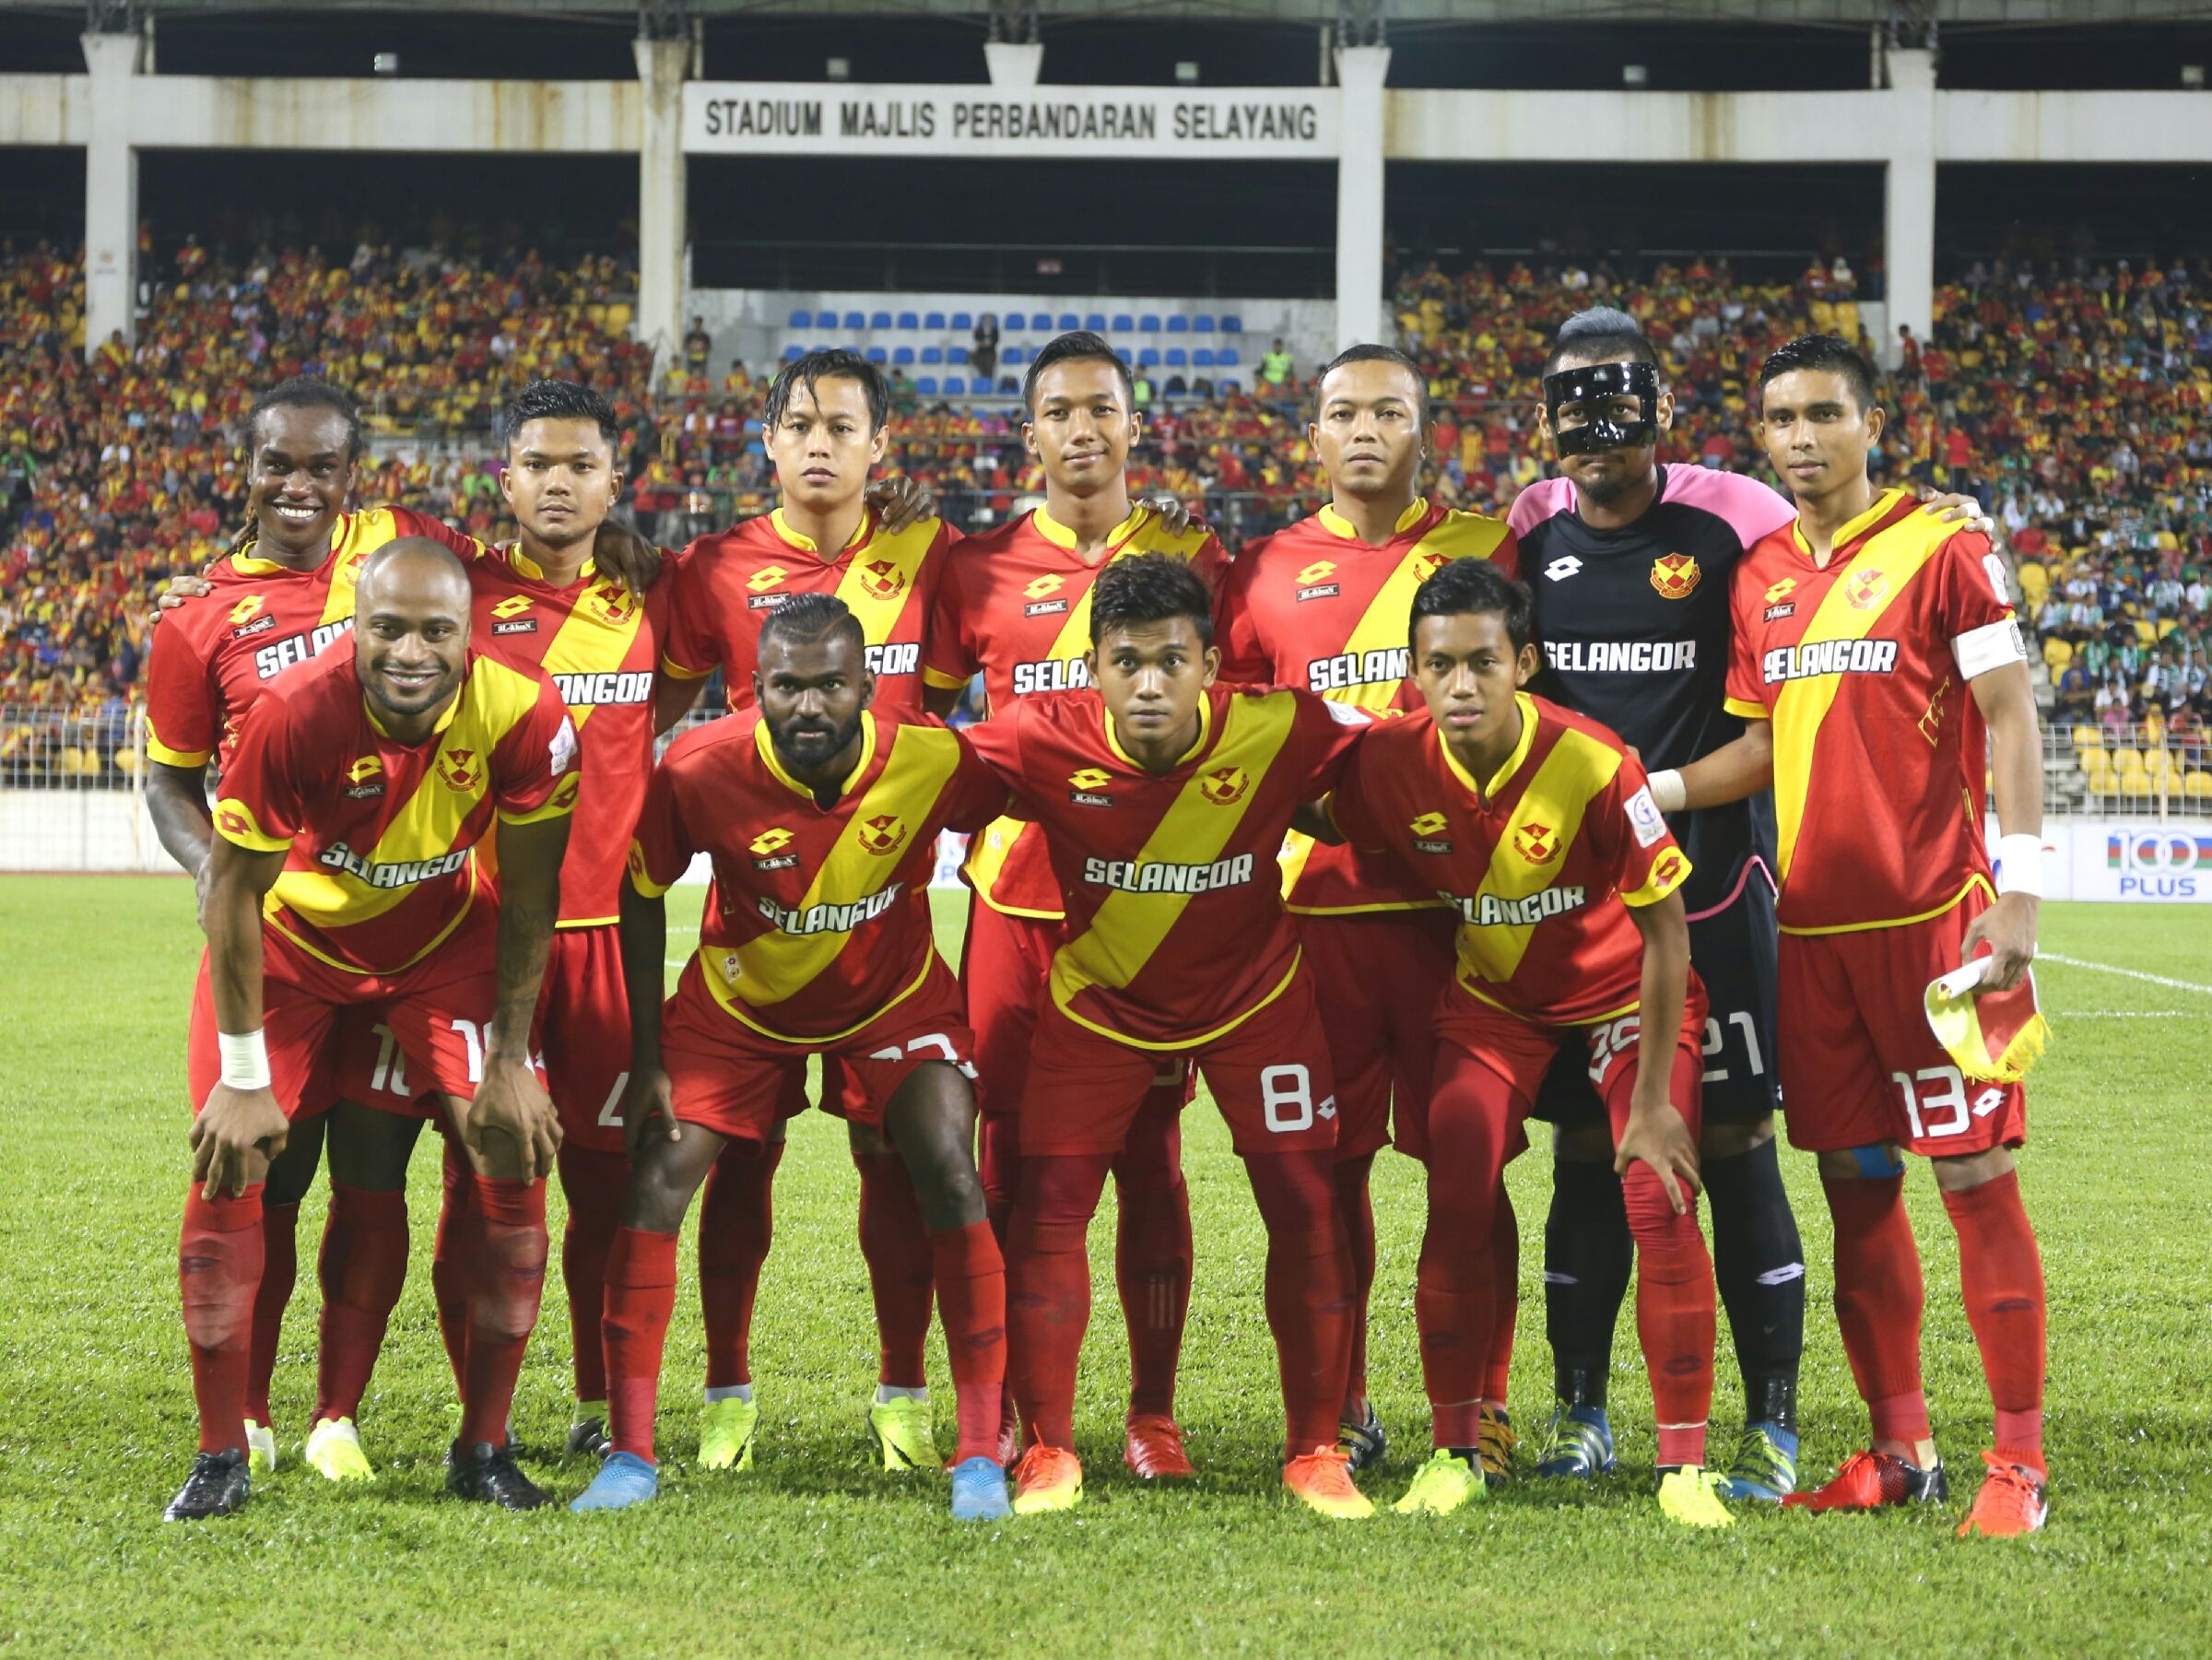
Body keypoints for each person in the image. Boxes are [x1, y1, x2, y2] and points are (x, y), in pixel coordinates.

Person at [1505, 305, 1996, 1501]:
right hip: (1574, 906)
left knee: (1733, 1146)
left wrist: (1951, 516)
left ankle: (1771, 1423)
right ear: (1546, 417)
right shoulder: (1528, 531)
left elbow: (1844, 544)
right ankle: (1581, 1414)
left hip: (1717, 888)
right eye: (1571, 400)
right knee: (1584, 1148)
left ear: (1662, 408)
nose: (1594, 424)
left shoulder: (1738, 516)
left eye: (1615, 398)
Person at [1676, 334, 2051, 1538]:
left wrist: (2022, 890)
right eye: (1780, 417)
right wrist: (1648, 792)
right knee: (1856, 1190)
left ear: (1868, 423)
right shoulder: (1760, 573)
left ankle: (2018, 1465)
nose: (1800, 436)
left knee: (1976, 1184)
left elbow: (2007, 714)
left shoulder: (1944, 546)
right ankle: (1903, 1447)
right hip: (1816, 940)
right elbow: (1750, 747)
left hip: (1937, 929)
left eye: (1823, 413)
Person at [570, 595, 1012, 1522]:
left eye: (828, 686)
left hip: (890, 996)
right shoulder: (699, 765)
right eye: (786, 687)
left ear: (866, 686)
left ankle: (975, 1452)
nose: (807, 706)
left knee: (949, 1167)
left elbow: (1022, 801)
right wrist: (651, 1054)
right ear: (754, 688)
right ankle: (633, 1451)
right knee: (658, 1178)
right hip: (740, 1002)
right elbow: (642, 890)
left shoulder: (931, 756)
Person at [164, 538, 577, 1519]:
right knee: (233, 1162)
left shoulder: (528, 713)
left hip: (443, 947)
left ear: (471, 635)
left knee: (512, 1153)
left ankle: (483, 1446)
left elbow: (530, 895)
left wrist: (514, 1059)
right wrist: (242, 1070)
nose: (410, 651)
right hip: (293, 950)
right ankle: (221, 1453)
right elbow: (228, 897)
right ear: (354, 625)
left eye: (437, 630)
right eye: (386, 627)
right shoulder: (291, 713)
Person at [1318, 554, 1731, 1526]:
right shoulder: (1386, 762)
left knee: (1654, 1186)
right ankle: (1457, 1447)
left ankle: (1685, 1468)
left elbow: (1668, 930)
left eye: (1483, 663)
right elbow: (1315, 816)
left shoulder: (1595, 761)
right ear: (1413, 672)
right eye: (1440, 665)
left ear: (1525, 663)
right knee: (1456, 1179)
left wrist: (1656, 1103)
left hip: (1625, 992)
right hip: (1495, 1000)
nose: (1462, 685)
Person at [962, 552, 1377, 1520]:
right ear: (1093, 667)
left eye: (1172, 661)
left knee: (1305, 1202)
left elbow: (1396, 756)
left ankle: (1316, 1448)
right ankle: (1051, 1447)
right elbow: (911, 780)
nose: (1150, 683)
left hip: (1256, 996)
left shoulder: (1280, 724)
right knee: (1051, 1208)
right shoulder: (1036, 734)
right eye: (1127, 661)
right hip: (1100, 1002)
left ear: (1211, 664)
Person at [318, 380, 669, 1467]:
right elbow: (314, 544)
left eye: (580, 466)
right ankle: (468, 1411)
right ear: (503, 479)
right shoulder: (454, 586)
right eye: (537, 465)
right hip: (465, 939)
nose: (557, 483)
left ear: (617, 482)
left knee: (606, 1188)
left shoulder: (663, 598)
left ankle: (602, 1400)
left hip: (604, 935)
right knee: (475, 1180)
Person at [920, 332, 1225, 1478]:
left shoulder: (1197, 557)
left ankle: (1153, 1415)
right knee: (1006, 1161)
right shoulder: (977, 568)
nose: (1083, 428)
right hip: (1015, 905)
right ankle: (1004, 1407)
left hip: (1146, 909)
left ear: (1135, 425)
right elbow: (931, 729)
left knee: (1151, 1158)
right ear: (1030, 431)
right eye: (1061, 410)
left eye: (1103, 407)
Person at [653, 348, 962, 1475]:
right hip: (760, 932)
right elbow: (649, 709)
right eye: (800, 423)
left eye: (844, 425)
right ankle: (728, 1389)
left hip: (888, 931)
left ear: (883, 445)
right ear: (769, 442)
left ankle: (905, 1394)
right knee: (740, 1157)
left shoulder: (938, 554)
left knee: (902, 1155)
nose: (820, 441)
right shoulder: (712, 567)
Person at [1214, 342, 1518, 1477]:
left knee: (1470, 1173)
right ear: (1312, 434)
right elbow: (1239, 742)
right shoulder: (1260, 569)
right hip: (1318, 927)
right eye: (1342, 412)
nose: (1363, 431)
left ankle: (1480, 1405)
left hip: (1461, 920)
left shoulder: (1490, 547)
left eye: (1389, 412)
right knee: (1324, 1176)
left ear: (1425, 429)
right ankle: (1339, 1405)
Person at [972, 312, 1001, 389]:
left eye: (989, 320)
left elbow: (996, 340)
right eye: (987, 320)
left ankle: (988, 381)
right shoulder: (979, 329)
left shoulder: (994, 330)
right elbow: (977, 338)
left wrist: (989, 343)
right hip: (981, 351)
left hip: (990, 351)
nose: (988, 321)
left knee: (989, 361)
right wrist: (983, 343)